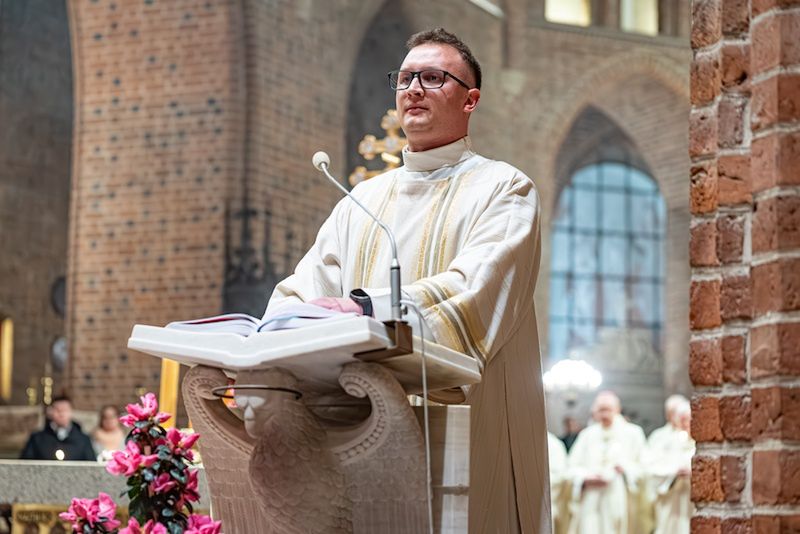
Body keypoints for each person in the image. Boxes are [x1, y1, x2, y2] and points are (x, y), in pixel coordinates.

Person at [265, 27, 550, 533]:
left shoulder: (504, 187)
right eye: (405, 77)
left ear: (471, 100)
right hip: (356, 430)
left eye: (433, 77)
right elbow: (301, 291)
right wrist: (265, 333)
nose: (413, 88)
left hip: (465, 430)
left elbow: (475, 288)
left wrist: (364, 310)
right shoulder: (362, 201)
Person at [566, 391, 646, 534]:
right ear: (595, 412)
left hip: (619, 497)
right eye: (600, 410)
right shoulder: (587, 435)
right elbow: (571, 467)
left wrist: (625, 469)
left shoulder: (633, 433)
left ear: (617, 409)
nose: (604, 414)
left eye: (607, 409)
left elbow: (644, 467)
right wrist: (585, 478)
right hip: (590, 499)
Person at [644, 396, 694, 534]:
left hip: (691, 501)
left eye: (688, 420)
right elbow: (652, 468)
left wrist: (693, 472)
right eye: (682, 420)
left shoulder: (703, 443)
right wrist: (673, 472)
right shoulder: (666, 441)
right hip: (671, 502)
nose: (685, 424)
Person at [20, 395, 96, 461]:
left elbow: (90, 465)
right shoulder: (37, 439)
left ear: (71, 412)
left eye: (65, 410)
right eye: (58, 410)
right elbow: (26, 463)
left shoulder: (83, 439)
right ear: (50, 412)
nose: (61, 414)